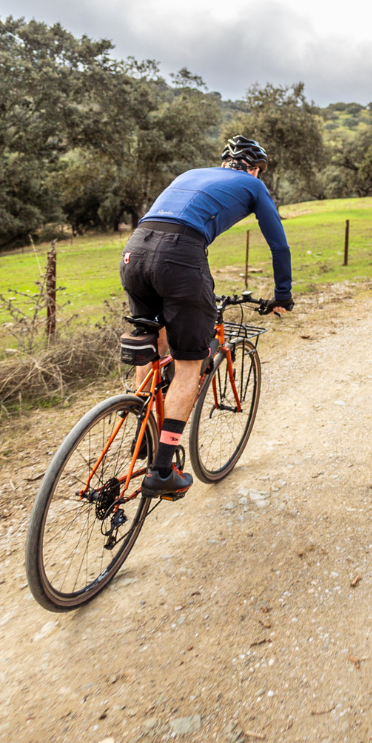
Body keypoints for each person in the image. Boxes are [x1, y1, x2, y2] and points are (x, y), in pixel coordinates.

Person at [119, 135, 294, 498]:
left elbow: (158, 220)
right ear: (254, 168)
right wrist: (282, 294)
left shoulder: (190, 174)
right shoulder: (252, 184)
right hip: (179, 255)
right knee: (189, 363)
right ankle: (163, 469)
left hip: (135, 251)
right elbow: (278, 242)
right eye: (259, 171)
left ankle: (144, 429)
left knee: (153, 341)